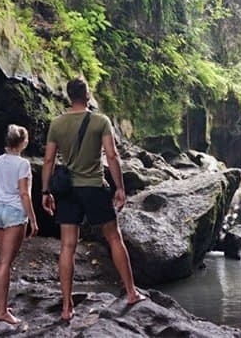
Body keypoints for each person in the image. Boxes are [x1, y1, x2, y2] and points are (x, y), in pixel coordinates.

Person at [41, 77, 146, 321]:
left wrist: (45, 191)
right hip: (94, 188)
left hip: (67, 191)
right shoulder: (100, 121)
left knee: (67, 246)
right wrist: (120, 187)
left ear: (69, 96)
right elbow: (112, 155)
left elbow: (48, 160)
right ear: (87, 95)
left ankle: (67, 307)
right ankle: (131, 293)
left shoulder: (57, 124)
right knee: (114, 238)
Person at [0, 124, 38, 324]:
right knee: (6, 263)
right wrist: (33, 219)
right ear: (22, 142)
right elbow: (24, 193)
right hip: (14, 213)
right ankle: (1, 311)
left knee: (1, 260)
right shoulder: (22, 164)